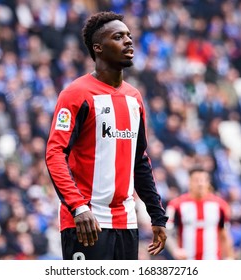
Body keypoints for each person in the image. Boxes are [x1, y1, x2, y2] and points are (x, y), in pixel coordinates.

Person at [45, 11, 168, 260]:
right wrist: (78, 207)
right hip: (86, 222)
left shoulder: (134, 97)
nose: (128, 41)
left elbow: (139, 160)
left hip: (126, 222)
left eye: (129, 36)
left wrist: (157, 214)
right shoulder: (76, 94)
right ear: (98, 48)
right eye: (118, 36)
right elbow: (55, 153)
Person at [165, 167, 234, 260]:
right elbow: (167, 233)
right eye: (196, 180)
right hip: (187, 262)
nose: (200, 184)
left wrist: (229, 257)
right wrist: (175, 250)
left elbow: (224, 234)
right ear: (189, 182)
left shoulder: (221, 205)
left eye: (203, 180)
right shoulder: (175, 205)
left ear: (208, 182)